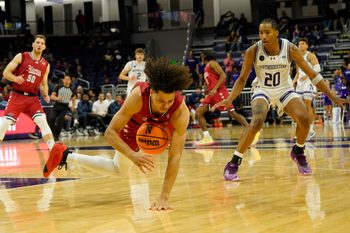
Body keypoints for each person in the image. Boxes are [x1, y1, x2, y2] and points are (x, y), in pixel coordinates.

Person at [43, 57, 193, 210]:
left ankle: (66, 155)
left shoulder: (180, 111)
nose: (165, 105)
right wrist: (131, 154)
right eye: (161, 100)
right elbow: (110, 133)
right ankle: (65, 155)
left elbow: (175, 156)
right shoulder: (138, 97)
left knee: (156, 157)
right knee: (119, 170)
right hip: (132, 129)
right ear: (152, 91)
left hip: (158, 130)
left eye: (169, 101)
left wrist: (164, 197)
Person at [213, 18, 348, 181]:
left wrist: (333, 97)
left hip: (284, 89)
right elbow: (241, 79)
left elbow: (313, 74)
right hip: (262, 89)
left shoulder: (290, 49)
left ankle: (298, 151)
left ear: (277, 33)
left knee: (304, 119)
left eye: (267, 32)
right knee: (257, 121)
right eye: (261, 32)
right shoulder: (253, 51)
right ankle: (233, 162)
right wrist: (229, 99)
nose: (263, 36)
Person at [0, 34, 55, 151]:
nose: (39, 45)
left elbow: (44, 84)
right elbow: (5, 73)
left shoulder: (46, 65)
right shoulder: (22, 56)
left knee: (42, 121)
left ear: (44, 47)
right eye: (37, 42)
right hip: (17, 96)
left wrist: (45, 94)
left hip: (32, 99)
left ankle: (54, 150)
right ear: (33, 44)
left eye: (42, 43)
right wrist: (15, 79)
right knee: (5, 123)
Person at [194, 50, 257, 146]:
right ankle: (207, 138)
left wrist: (215, 88)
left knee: (232, 113)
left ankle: (251, 132)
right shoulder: (206, 67)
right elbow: (208, 81)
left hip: (219, 92)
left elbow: (223, 76)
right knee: (198, 112)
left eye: (202, 54)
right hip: (212, 94)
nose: (201, 56)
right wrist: (206, 91)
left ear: (206, 55)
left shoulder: (212, 63)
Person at [293, 38, 319, 141]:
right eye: (299, 44)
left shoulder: (310, 55)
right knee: (299, 108)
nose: (300, 45)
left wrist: (308, 75)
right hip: (300, 83)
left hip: (309, 81)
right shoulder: (297, 56)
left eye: (303, 44)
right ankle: (300, 130)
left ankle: (311, 130)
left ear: (307, 46)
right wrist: (293, 81)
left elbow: (317, 68)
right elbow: (298, 72)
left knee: (308, 105)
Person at [49, 74, 74, 141]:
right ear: (63, 80)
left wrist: (73, 106)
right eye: (65, 79)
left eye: (68, 79)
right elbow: (52, 96)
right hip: (57, 105)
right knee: (52, 119)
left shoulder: (72, 89)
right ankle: (52, 133)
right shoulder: (58, 87)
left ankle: (56, 136)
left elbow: (73, 98)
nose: (66, 80)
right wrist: (57, 98)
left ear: (70, 81)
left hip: (65, 107)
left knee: (60, 120)